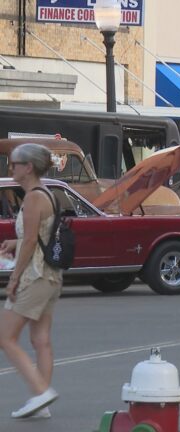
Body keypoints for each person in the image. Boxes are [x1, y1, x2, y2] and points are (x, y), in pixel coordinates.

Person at [0, 143, 62, 419]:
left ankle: (41, 392)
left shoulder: (34, 197)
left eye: (14, 164)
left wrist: (13, 279)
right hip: (50, 276)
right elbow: (37, 236)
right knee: (40, 340)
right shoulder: (43, 193)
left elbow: (30, 242)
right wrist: (14, 242)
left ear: (28, 167)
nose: (10, 168)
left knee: (5, 337)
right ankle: (42, 403)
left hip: (35, 276)